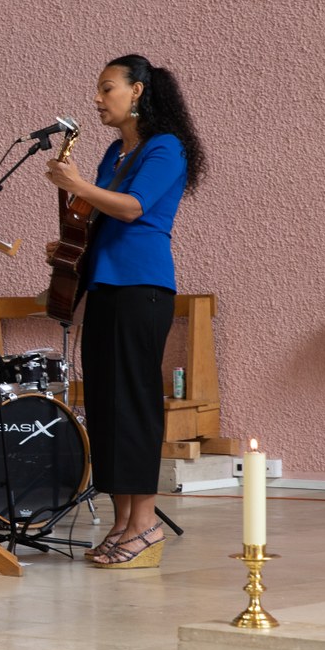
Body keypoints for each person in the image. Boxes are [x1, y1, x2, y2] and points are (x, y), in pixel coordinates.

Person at [45, 54, 206, 569]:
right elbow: (98, 217)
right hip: (105, 285)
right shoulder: (114, 152)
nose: (97, 99)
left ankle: (147, 523)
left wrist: (77, 186)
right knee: (106, 406)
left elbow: (134, 208)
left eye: (107, 88)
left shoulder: (165, 147)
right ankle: (121, 522)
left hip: (143, 287)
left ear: (137, 91)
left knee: (134, 405)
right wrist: (70, 248)